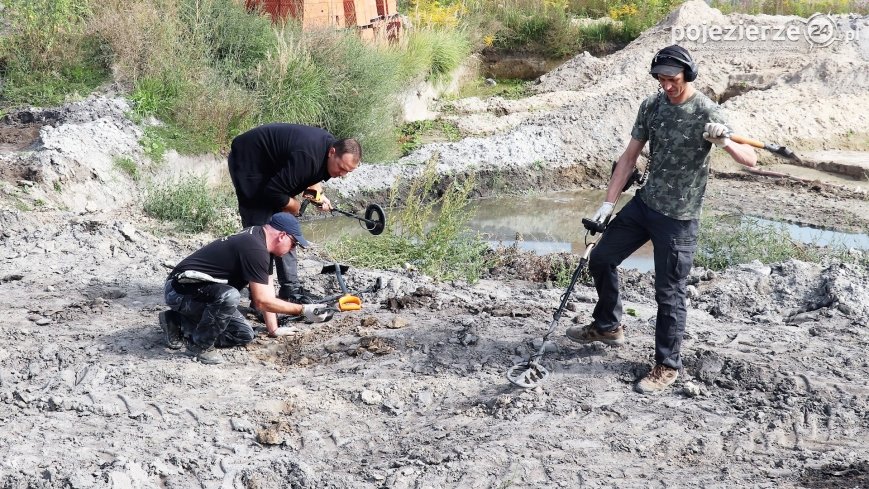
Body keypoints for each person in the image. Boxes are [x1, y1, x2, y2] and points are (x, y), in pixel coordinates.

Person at [566, 45, 758, 394]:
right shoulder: (651, 106)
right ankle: (608, 325)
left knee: (669, 294)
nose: (667, 85)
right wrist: (608, 204)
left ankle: (667, 366)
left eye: (672, 79)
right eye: (660, 79)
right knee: (603, 258)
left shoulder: (706, 112)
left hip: (679, 218)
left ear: (688, 74)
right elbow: (628, 158)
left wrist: (726, 142)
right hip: (645, 205)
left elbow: (751, 160)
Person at [158, 213, 332, 365]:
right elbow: (261, 301)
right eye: (293, 244)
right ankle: (199, 346)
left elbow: (267, 289)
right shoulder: (254, 248)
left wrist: (274, 329)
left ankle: (178, 322)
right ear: (282, 236)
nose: (292, 249)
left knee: (243, 334)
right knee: (230, 296)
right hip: (179, 290)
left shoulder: (260, 242)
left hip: (203, 293)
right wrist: (303, 310)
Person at [227, 123, 361, 302]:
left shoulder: (326, 149)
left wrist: (318, 196)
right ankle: (259, 299)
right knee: (260, 231)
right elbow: (273, 192)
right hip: (249, 160)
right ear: (332, 152)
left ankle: (290, 288)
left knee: (285, 225)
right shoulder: (308, 157)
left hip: (273, 168)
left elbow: (310, 176)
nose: (342, 174)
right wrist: (295, 206)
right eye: (342, 168)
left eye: (348, 171)